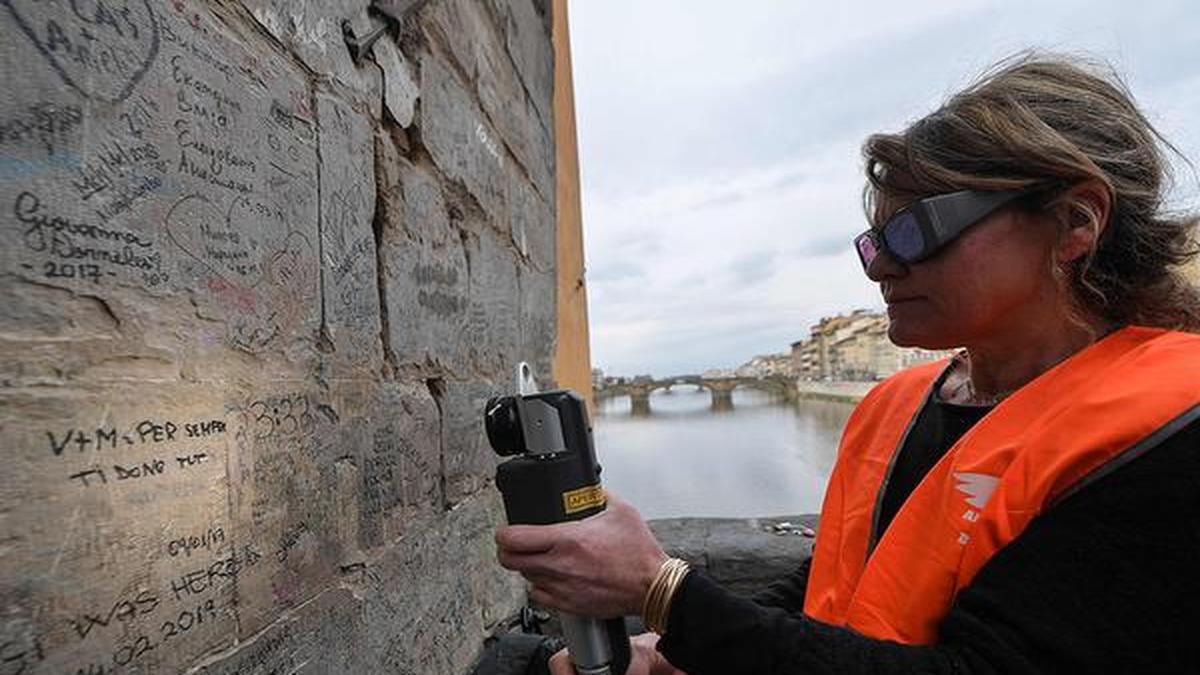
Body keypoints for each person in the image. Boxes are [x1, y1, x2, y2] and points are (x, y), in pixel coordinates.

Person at [496, 53, 1200, 674]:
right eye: (875, 242)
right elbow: (834, 585)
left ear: (1076, 222)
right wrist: (678, 646)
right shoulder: (903, 404)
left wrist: (664, 590)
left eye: (917, 230)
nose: (883, 268)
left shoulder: (1168, 439)